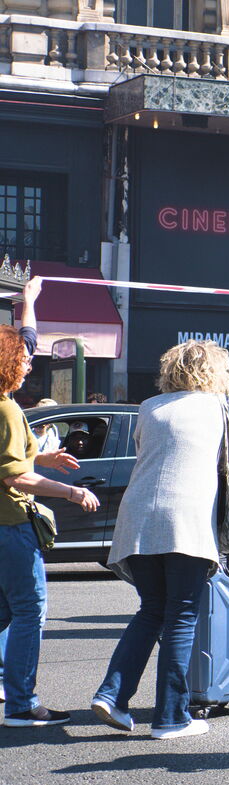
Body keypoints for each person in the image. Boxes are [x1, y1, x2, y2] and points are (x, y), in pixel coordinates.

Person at [90, 340, 229, 739]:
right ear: (215, 371)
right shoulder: (221, 406)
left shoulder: (149, 407)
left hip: (138, 517)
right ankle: (171, 718)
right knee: (181, 616)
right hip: (186, 520)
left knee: (151, 610)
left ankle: (112, 695)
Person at [0, 275, 99, 727]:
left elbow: (28, 338)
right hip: (10, 524)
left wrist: (42, 456)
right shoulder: (6, 408)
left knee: (8, 610)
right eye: (22, 359)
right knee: (29, 610)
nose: (28, 362)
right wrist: (71, 491)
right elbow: (14, 475)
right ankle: (22, 704)